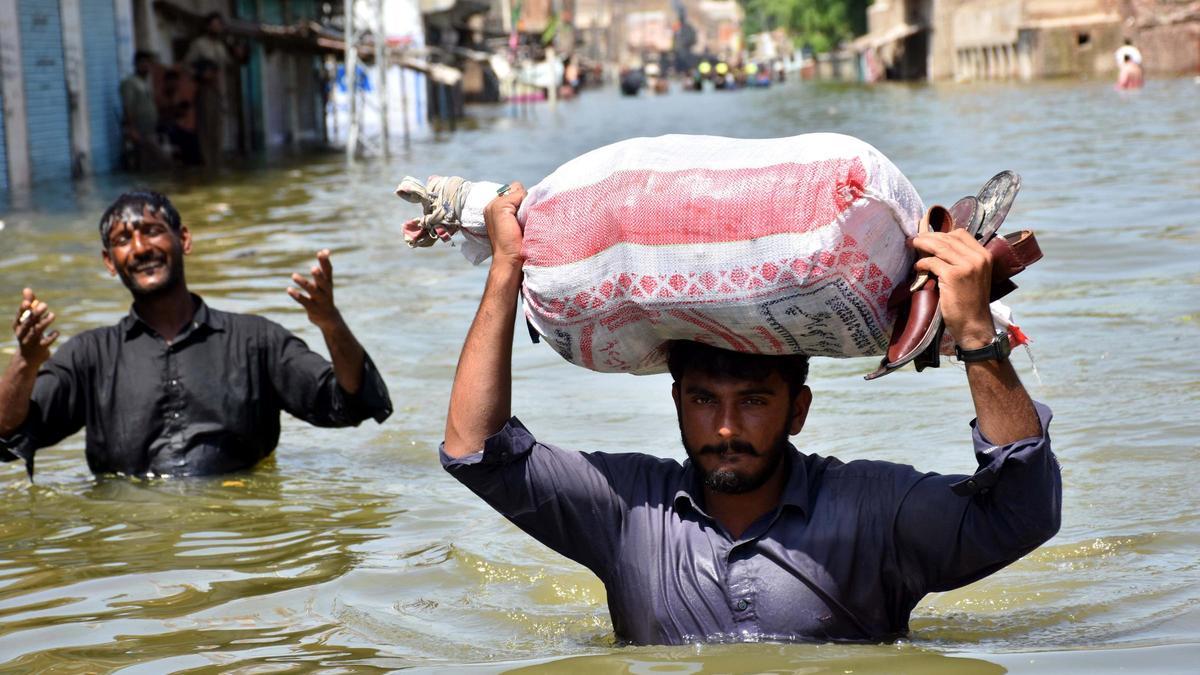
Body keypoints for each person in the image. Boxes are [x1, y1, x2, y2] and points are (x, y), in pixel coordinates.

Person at [439, 183, 1062, 644]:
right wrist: (504, 270)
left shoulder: (873, 512)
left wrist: (977, 335)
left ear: (799, 410)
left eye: (755, 402)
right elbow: (474, 448)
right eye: (705, 401)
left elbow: (1023, 512)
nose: (727, 428)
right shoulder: (625, 511)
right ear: (677, 400)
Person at [0, 190, 392, 478]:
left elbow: (350, 401)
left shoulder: (255, 341)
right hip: (129, 548)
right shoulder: (89, 356)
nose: (139, 248)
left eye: (152, 231)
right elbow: (9, 434)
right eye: (123, 240)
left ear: (183, 239)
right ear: (109, 261)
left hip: (242, 532)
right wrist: (25, 362)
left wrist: (330, 322)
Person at [183, 13, 247, 167]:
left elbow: (229, 65)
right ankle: (207, 165)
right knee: (206, 130)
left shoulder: (220, 46)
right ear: (208, 26)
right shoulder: (199, 44)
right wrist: (201, 74)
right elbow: (186, 65)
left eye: (220, 24)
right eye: (215, 24)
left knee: (218, 131)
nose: (218, 27)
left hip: (221, 92)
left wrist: (238, 55)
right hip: (205, 91)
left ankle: (216, 164)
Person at [119, 51, 168, 170]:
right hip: (140, 133)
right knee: (163, 162)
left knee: (149, 164)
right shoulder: (130, 83)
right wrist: (132, 129)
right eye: (144, 63)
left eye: (149, 64)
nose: (147, 67)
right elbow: (127, 107)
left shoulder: (144, 83)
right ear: (136, 64)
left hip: (150, 131)